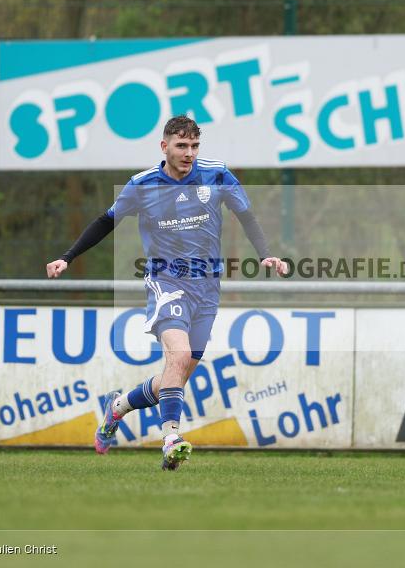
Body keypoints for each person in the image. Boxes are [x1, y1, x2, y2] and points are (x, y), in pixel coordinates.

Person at [45, 115, 287, 470]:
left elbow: (246, 215)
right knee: (179, 354)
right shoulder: (142, 185)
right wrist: (67, 257)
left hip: (207, 287)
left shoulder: (217, 174)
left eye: (194, 146)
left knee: (175, 375)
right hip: (166, 282)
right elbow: (105, 222)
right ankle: (171, 439)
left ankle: (118, 408)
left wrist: (265, 253)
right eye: (181, 146)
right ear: (165, 147)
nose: (189, 153)